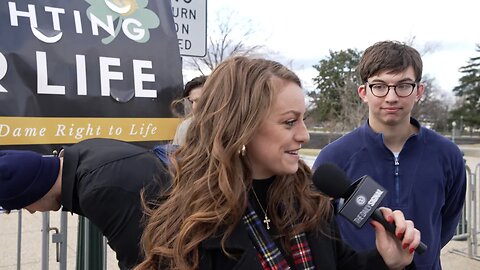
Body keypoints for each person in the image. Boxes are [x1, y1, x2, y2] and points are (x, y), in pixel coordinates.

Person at [135, 56, 421, 270]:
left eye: (303, 119)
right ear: (240, 127)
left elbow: (341, 264)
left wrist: (388, 262)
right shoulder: (189, 227)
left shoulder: (310, 200)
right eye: (289, 122)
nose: (305, 135)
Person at [313, 41, 466, 270]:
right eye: (380, 86)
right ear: (364, 92)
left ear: (419, 91)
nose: (391, 97)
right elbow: (322, 233)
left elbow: (446, 223)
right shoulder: (333, 158)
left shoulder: (448, 155)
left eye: (403, 85)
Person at [0, 138, 170, 270]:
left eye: (24, 205)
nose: (30, 212)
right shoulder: (83, 153)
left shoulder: (96, 190)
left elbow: (141, 261)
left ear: (34, 192)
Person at [172, 75, 207, 145]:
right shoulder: (186, 127)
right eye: (192, 102)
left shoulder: (231, 125)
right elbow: (176, 154)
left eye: (200, 101)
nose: (194, 106)